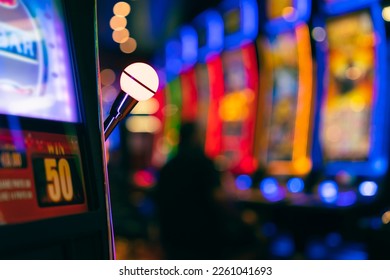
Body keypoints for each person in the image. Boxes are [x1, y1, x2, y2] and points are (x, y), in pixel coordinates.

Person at [154, 122, 258, 259]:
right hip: (203, 237)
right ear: (195, 138)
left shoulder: (168, 167)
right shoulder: (204, 163)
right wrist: (241, 217)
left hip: (171, 236)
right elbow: (219, 198)